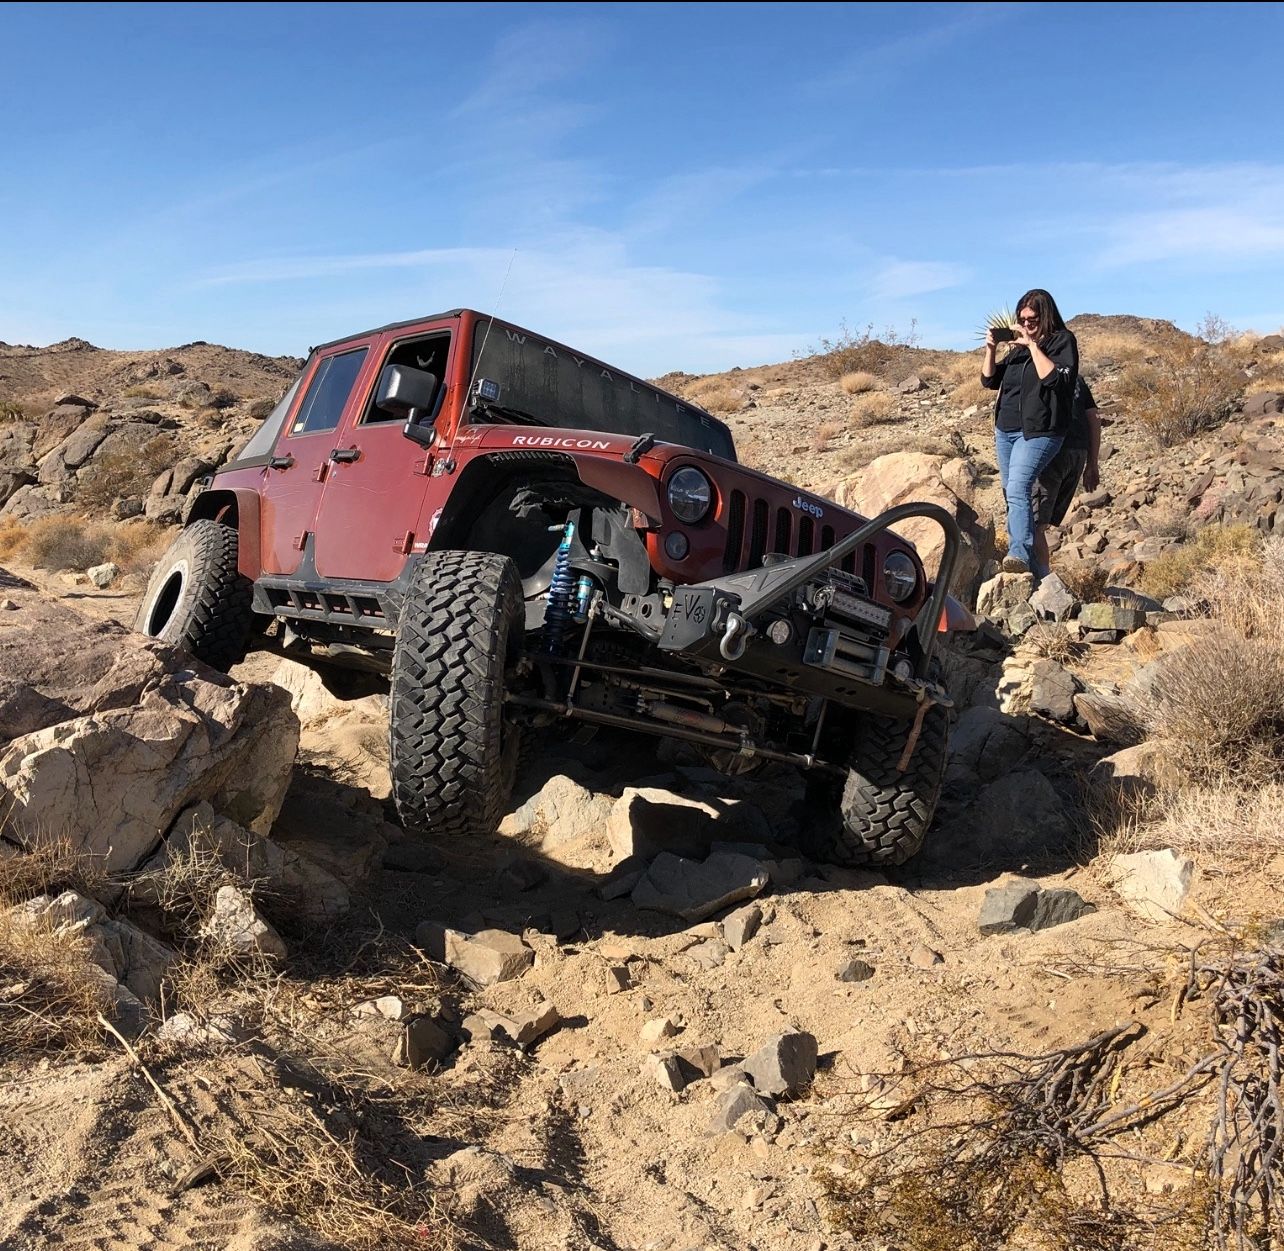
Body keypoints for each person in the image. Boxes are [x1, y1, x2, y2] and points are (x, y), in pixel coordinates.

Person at [981, 288, 1079, 578]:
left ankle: (1018, 555)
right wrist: (991, 348)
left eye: (1032, 319)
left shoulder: (1062, 341)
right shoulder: (1016, 352)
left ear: (1045, 316)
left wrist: (1033, 346)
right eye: (1022, 319)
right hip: (1006, 430)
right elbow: (989, 380)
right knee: (1012, 494)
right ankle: (1036, 572)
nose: (1026, 325)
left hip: (1040, 432)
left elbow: (1055, 379)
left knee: (1018, 487)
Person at [1032, 375, 1101, 577]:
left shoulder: (1034, 373)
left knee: (1032, 522)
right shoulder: (1075, 378)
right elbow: (1094, 418)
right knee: (1040, 524)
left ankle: (1042, 581)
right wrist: (1092, 463)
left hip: (1051, 450)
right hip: (1077, 453)